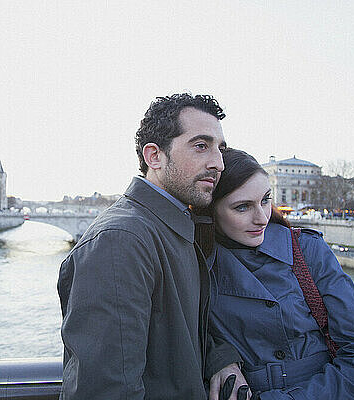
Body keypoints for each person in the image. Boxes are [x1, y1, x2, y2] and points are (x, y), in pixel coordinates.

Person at [58, 94, 250, 399]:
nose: (219, 164)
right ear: (154, 157)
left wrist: (219, 359)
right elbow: (107, 391)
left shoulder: (171, 226)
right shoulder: (121, 241)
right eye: (201, 146)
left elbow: (177, 332)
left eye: (220, 149)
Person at [202, 148, 354, 399]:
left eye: (265, 199)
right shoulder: (195, 261)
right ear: (211, 212)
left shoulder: (306, 250)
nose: (262, 218)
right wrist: (219, 357)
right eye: (242, 207)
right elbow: (185, 333)